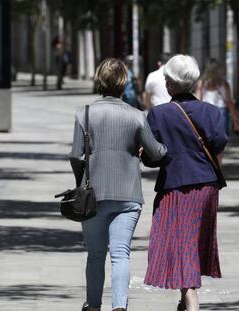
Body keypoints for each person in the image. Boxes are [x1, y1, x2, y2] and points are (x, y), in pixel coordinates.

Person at [69, 58, 167, 311]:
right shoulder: (136, 116)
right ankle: (120, 307)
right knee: (120, 254)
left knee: (95, 255)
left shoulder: (85, 113)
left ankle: (92, 306)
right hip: (128, 195)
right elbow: (156, 153)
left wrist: (81, 180)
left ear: (99, 80)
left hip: (93, 195)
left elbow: (76, 156)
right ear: (124, 82)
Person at [142, 55, 228, 311]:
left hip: (175, 187)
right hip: (207, 186)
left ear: (169, 84)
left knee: (180, 244)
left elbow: (151, 157)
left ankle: (191, 299)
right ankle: (185, 298)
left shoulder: (159, 115)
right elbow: (219, 143)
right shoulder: (212, 113)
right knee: (193, 242)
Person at [195, 58, 239, 136]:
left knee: (208, 138)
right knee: (222, 138)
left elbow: (198, 101)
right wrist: (235, 121)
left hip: (207, 112)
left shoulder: (201, 83)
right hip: (221, 113)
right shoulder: (224, 84)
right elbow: (229, 103)